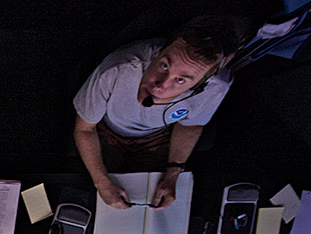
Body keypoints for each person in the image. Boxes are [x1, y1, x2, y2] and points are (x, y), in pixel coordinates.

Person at [73, 16, 241, 210]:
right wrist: (101, 182)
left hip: (157, 136)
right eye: (164, 65)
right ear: (160, 51)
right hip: (107, 130)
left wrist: (172, 175)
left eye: (180, 80)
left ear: (199, 86)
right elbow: (84, 129)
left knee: (155, 198)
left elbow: (191, 125)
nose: (160, 85)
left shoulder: (216, 86)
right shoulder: (117, 69)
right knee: (92, 195)